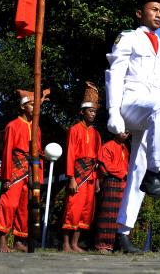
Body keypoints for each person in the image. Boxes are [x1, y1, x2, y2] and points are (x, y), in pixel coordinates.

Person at [105, 0, 160, 254]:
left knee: (138, 169)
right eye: (153, 9)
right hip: (131, 102)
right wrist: (113, 111)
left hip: (155, 113)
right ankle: (156, 173)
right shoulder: (129, 38)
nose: (159, 14)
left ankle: (122, 233)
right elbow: (115, 73)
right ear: (139, 13)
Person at [0, 89, 44, 252]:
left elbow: (39, 153)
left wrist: (38, 176)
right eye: (31, 105)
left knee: (25, 206)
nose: (35, 108)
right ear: (22, 107)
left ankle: (19, 240)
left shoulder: (37, 128)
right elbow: (7, 152)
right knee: (9, 204)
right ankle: (2, 240)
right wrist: (6, 177)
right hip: (15, 170)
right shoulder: (12, 126)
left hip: (31, 171)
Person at [61, 82, 102, 253]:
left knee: (86, 210)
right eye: (90, 111)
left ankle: (75, 243)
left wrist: (98, 180)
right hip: (77, 174)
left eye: (94, 112)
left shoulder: (96, 134)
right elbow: (70, 154)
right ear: (82, 111)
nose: (93, 114)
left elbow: (98, 159)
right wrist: (71, 178)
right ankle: (65, 244)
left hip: (91, 176)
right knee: (72, 208)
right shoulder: (74, 130)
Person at [94, 131, 130, 253]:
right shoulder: (107, 146)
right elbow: (105, 167)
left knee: (121, 215)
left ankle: (117, 246)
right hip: (111, 182)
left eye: (128, 132)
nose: (126, 134)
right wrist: (123, 172)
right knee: (108, 214)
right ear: (116, 131)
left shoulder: (125, 148)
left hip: (124, 184)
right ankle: (103, 245)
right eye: (123, 131)